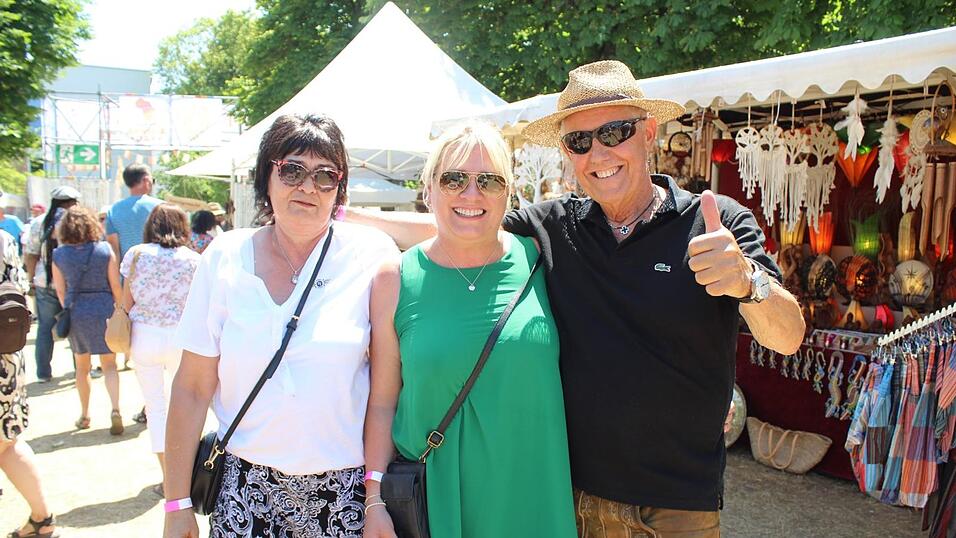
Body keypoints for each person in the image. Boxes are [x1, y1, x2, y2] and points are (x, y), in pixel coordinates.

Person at [350, 61, 805, 537]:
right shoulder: (551, 229)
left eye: (616, 131)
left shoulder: (716, 222)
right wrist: (340, 220)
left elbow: (788, 336)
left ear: (648, 132)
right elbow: (465, 222)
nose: (599, 152)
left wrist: (748, 281)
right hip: (572, 500)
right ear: (568, 152)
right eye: (580, 141)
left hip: (677, 509)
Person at [163, 114, 398, 538]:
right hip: (242, 488)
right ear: (265, 175)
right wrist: (176, 503)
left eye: (325, 176)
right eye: (292, 169)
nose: (307, 187)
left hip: (344, 493)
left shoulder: (370, 257)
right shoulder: (224, 257)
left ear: (339, 190)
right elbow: (192, 386)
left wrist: (374, 496)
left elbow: (384, 396)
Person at [363, 121, 576, 538]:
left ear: (509, 193)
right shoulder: (396, 279)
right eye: (454, 179)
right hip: (437, 501)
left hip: (533, 495)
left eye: (489, 181)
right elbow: (382, 403)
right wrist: (374, 501)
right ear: (428, 190)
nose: (471, 194)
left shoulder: (543, 258)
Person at [119, 203, 200, 494]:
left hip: (145, 336)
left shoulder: (136, 254)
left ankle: (169, 479)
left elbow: (127, 303)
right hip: (182, 337)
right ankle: (189, 472)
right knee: (187, 405)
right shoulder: (193, 260)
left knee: (156, 407)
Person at [0, 229, 60, 538]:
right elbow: (20, 286)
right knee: (7, 443)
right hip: (7, 354)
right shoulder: (4, 239)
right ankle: (41, 517)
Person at [51, 206, 124, 434]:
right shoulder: (104, 250)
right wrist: (120, 310)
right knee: (110, 365)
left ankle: (85, 414)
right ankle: (115, 409)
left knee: (82, 367)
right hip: (104, 308)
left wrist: (71, 308)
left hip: (77, 311)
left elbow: (61, 292)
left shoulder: (59, 255)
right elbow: (115, 285)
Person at [22, 186, 81, 383]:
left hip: (44, 282)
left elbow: (31, 254)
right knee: (75, 327)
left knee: (45, 327)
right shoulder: (79, 222)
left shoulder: (40, 223)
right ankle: (80, 370)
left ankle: (43, 373)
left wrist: (30, 279)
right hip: (73, 283)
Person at [105, 164, 162, 264]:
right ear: (146, 180)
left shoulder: (113, 210)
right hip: (158, 271)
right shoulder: (161, 207)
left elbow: (114, 251)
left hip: (127, 273)